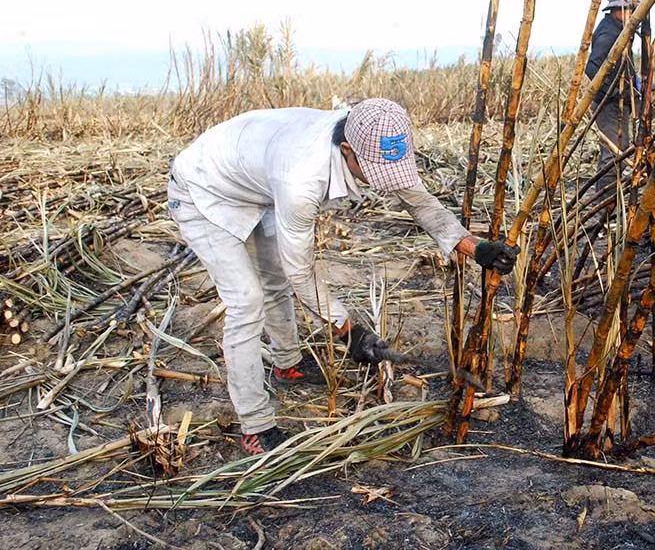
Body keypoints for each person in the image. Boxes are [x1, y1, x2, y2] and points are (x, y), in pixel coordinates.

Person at [167, 98, 519, 454]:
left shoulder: (372, 130)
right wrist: (348, 332)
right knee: (246, 302)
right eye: (377, 174)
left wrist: (476, 248)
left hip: (253, 180)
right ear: (347, 151)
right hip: (203, 190)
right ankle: (255, 426)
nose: (384, 185)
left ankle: (287, 365)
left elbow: (418, 200)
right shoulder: (301, 179)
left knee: (272, 280)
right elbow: (300, 273)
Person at [585, 0, 638, 190]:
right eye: (626, 9)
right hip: (608, 105)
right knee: (613, 152)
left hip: (620, 101)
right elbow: (592, 67)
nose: (629, 13)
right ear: (616, 10)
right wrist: (613, 92)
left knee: (621, 148)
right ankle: (604, 205)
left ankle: (610, 200)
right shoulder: (608, 33)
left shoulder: (621, 30)